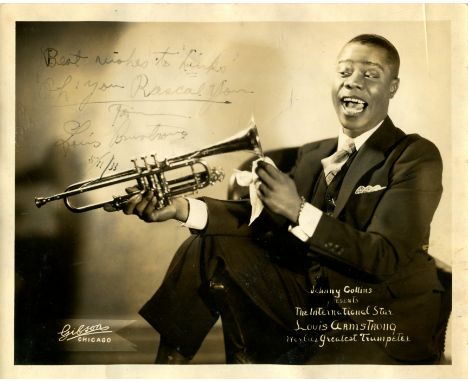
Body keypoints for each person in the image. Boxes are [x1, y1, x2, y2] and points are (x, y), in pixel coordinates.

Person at [121, 34, 445, 364]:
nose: (353, 83)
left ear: (393, 87)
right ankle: (166, 371)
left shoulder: (415, 156)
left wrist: (297, 209)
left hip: (376, 317)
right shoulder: (311, 155)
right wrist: (181, 209)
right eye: (344, 72)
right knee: (205, 245)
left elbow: (384, 257)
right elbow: (263, 220)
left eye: (371, 75)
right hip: (308, 301)